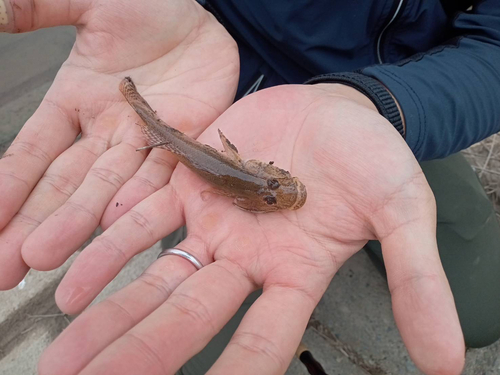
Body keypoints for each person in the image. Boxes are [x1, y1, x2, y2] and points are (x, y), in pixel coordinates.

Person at [0, 0, 499, 374]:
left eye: (278, 188)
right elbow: (230, 169)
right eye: (274, 189)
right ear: (263, 180)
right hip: (216, 83)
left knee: (481, 312)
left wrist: (385, 103)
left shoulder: (260, 180)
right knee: (196, 339)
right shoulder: (240, 185)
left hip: (394, 99)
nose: (279, 191)